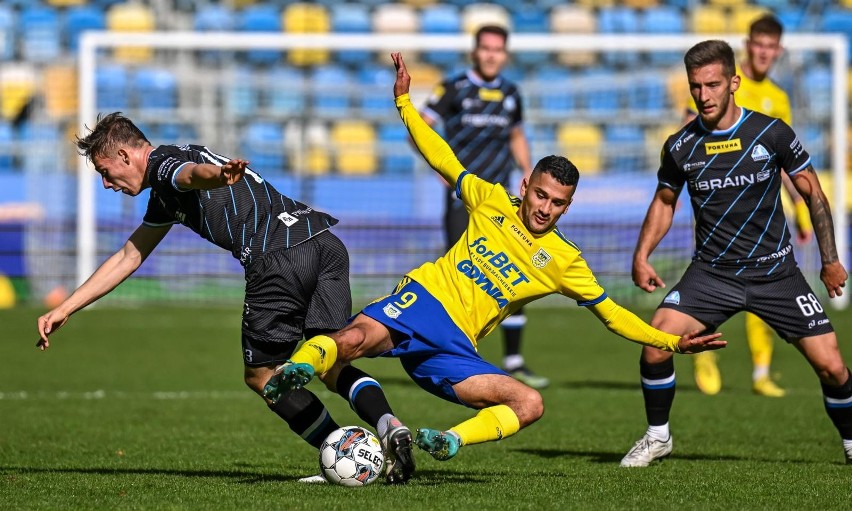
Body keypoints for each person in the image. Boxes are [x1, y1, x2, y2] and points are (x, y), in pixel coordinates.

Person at [262, 52, 726, 463]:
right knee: (351, 340)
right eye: (540, 195)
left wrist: (672, 343)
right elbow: (443, 159)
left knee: (529, 404)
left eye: (557, 203)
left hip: (456, 347)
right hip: (424, 301)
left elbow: (611, 315)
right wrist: (404, 104)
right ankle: (298, 371)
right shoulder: (492, 200)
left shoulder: (564, 260)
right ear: (525, 186)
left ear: (568, 206)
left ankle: (445, 441)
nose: (545, 208)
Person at [35, 115, 415, 484]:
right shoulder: (164, 195)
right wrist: (66, 307)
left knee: (263, 376)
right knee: (329, 359)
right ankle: (388, 425)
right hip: (324, 243)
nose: (106, 184)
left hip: (278, 256)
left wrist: (217, 177)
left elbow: (189, 175)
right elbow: (129, 256)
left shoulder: (165, 165)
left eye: (104, 172)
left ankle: (340, 451)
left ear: (124, 156)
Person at [621, 40, 852, 468]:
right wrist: (641, 255)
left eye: (712, 85)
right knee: (656, 342)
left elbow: (813, 194)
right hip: (712, 275)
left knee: (833, 368)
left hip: (777, 275)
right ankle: (658, 437)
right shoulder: (680, 146)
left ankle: (851, 440)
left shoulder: (771, 132)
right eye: (695, 87)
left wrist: (830, 259)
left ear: (733, 83)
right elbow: (665, 201)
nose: (704, 96)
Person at [685, 14, 812, 398]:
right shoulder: (720, 85)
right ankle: (703, 353)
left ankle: (761, 371)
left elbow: (785, 161)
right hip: (721, 209)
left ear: (778, 50)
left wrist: (802, 210)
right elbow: (690, 133)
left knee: (768, 289)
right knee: (711, 287)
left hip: (766, 213)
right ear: (748, 45)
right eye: (758, 44)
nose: (763, 52)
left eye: (771, 46)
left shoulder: (780, 98)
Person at [419, 25, 545, 389]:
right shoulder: (454, 88)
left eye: (498, 50)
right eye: (485, 49)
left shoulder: (510, 93)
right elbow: (422, 126)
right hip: (463, 195)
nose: (491, 55)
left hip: (501, 201)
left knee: (512, 273)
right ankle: (449, 354)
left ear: (505, 55)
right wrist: (439, 167)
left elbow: (516, 134)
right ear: (475, 52)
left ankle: (514, 359)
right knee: (461, 273)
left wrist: (528, 171)